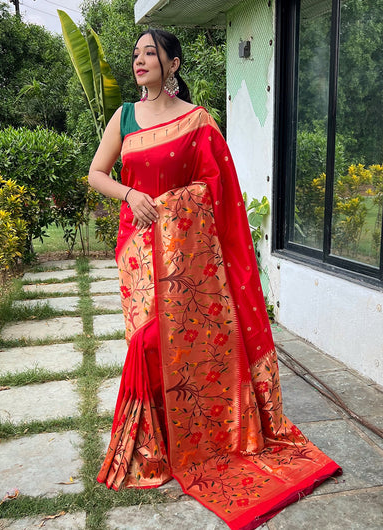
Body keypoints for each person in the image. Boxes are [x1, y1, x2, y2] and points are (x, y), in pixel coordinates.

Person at [89, 28, 341, 530]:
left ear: (173, 63)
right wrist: (129, 195)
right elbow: (96, 172)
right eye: (136, 54)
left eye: (150, 53)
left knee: (179, 346)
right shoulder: (125, 117)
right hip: (139, 250)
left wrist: (173, 206)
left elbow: (216, 187)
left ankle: (199, 438)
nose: (140, 60)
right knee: (145, 342)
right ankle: (149, 447)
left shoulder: (196, 121)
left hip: (186, 256)